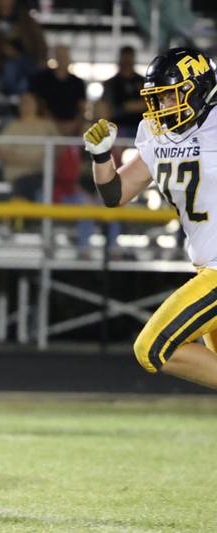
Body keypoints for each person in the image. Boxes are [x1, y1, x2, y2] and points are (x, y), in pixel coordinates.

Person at [83, 47, 217, 389]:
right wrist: (101, 157)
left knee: (153, 348)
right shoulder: (158, 136)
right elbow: (116, 194)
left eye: (170, 97)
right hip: (207, 265)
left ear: (197, 90)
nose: (162, 108)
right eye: (157, 99)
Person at [101, 46, 145, 139]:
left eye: (129, 58)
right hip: (117, 128)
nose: (127, 62)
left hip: (142, 128)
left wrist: (127, 106)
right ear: (120, 59)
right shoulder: (110, 83)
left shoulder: (143, 82)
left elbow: (148, 105)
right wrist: (126, 107)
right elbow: (108, 109)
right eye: (125, 58)